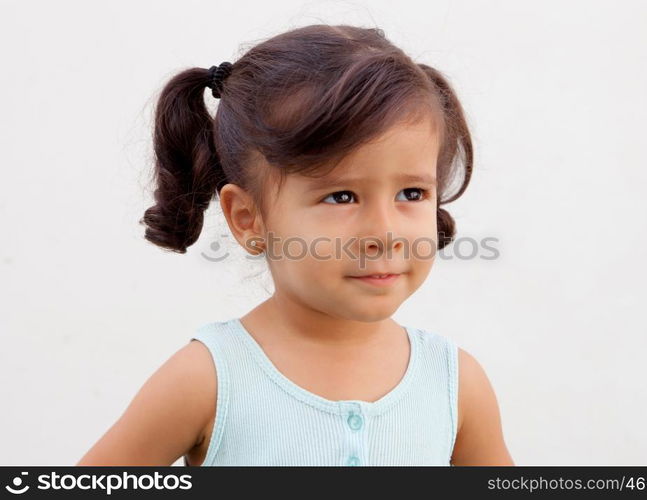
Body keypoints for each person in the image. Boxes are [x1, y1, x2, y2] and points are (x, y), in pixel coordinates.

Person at [77, 23, 513, 466]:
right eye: (341, 196)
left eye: (411, 194)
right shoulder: (208, 381)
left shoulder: (455, 385)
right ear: (249, 219)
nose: (385, 234)